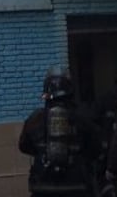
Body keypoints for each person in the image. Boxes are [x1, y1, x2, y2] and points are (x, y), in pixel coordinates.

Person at [19, 66, 101, 197]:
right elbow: (96, 149)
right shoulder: (82, 118)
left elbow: (23, 145)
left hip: (43, 185)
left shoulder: (35, 118)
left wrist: (42, 152)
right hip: (76, 186)